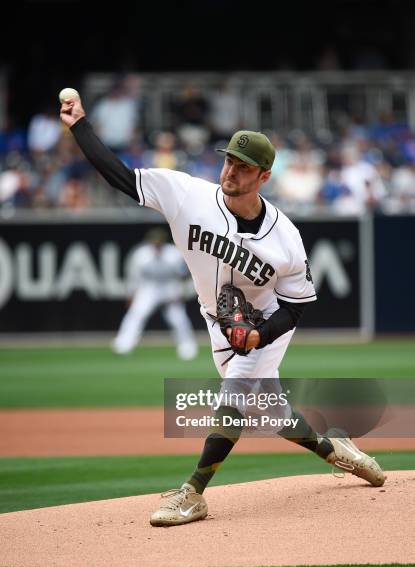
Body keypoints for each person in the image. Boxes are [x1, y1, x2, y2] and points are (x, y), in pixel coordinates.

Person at [60, 95, 386, 527]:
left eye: (244, 166)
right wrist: (80, 126)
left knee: (234, 396)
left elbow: (297, 306)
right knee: (269, 413)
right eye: (229, 161)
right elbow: (120, 176)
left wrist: (259, 336)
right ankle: (337, 450)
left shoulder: (285, 238)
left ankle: (192, 493)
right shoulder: (187, 195)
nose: (231, 171)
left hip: (263, 321)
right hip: (216, 320)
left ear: (264, 176)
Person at [112, 226, 198, 360]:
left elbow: (183, 276)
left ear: (164, 241)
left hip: (169, 286)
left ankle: (187, 347)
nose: (157, 244)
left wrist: (181, 292)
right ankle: (124, 344)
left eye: (159, 241)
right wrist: (131, 294)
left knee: (178, 318)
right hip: (149, 288)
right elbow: (134, 277)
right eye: (154, 241)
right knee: (137, 313)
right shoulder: (141, 254)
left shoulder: (174, 253)